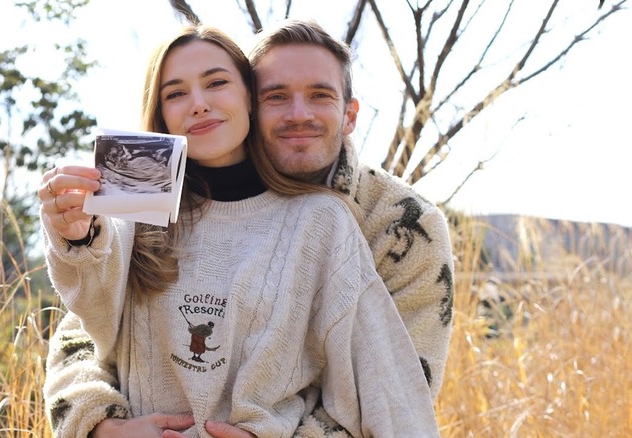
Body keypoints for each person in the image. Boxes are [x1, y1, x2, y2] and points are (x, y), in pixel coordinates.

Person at [39, 24, 438, 438]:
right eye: (175, 93)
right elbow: (87, 322)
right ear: (160, 112)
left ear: (251, 98)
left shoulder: (324, 218)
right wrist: (76, 236)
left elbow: (385, 388)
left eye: (217, 83)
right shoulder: (137, 197)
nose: (198, 104)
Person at [248, 19, 454, 402]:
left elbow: (401, 398)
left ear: (350, 115)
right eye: (275, 96)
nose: (298, 114)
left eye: (319, 95)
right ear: (248, 111)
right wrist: (101, 419)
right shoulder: (199, 201)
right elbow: (111, 340)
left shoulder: (404, 224)